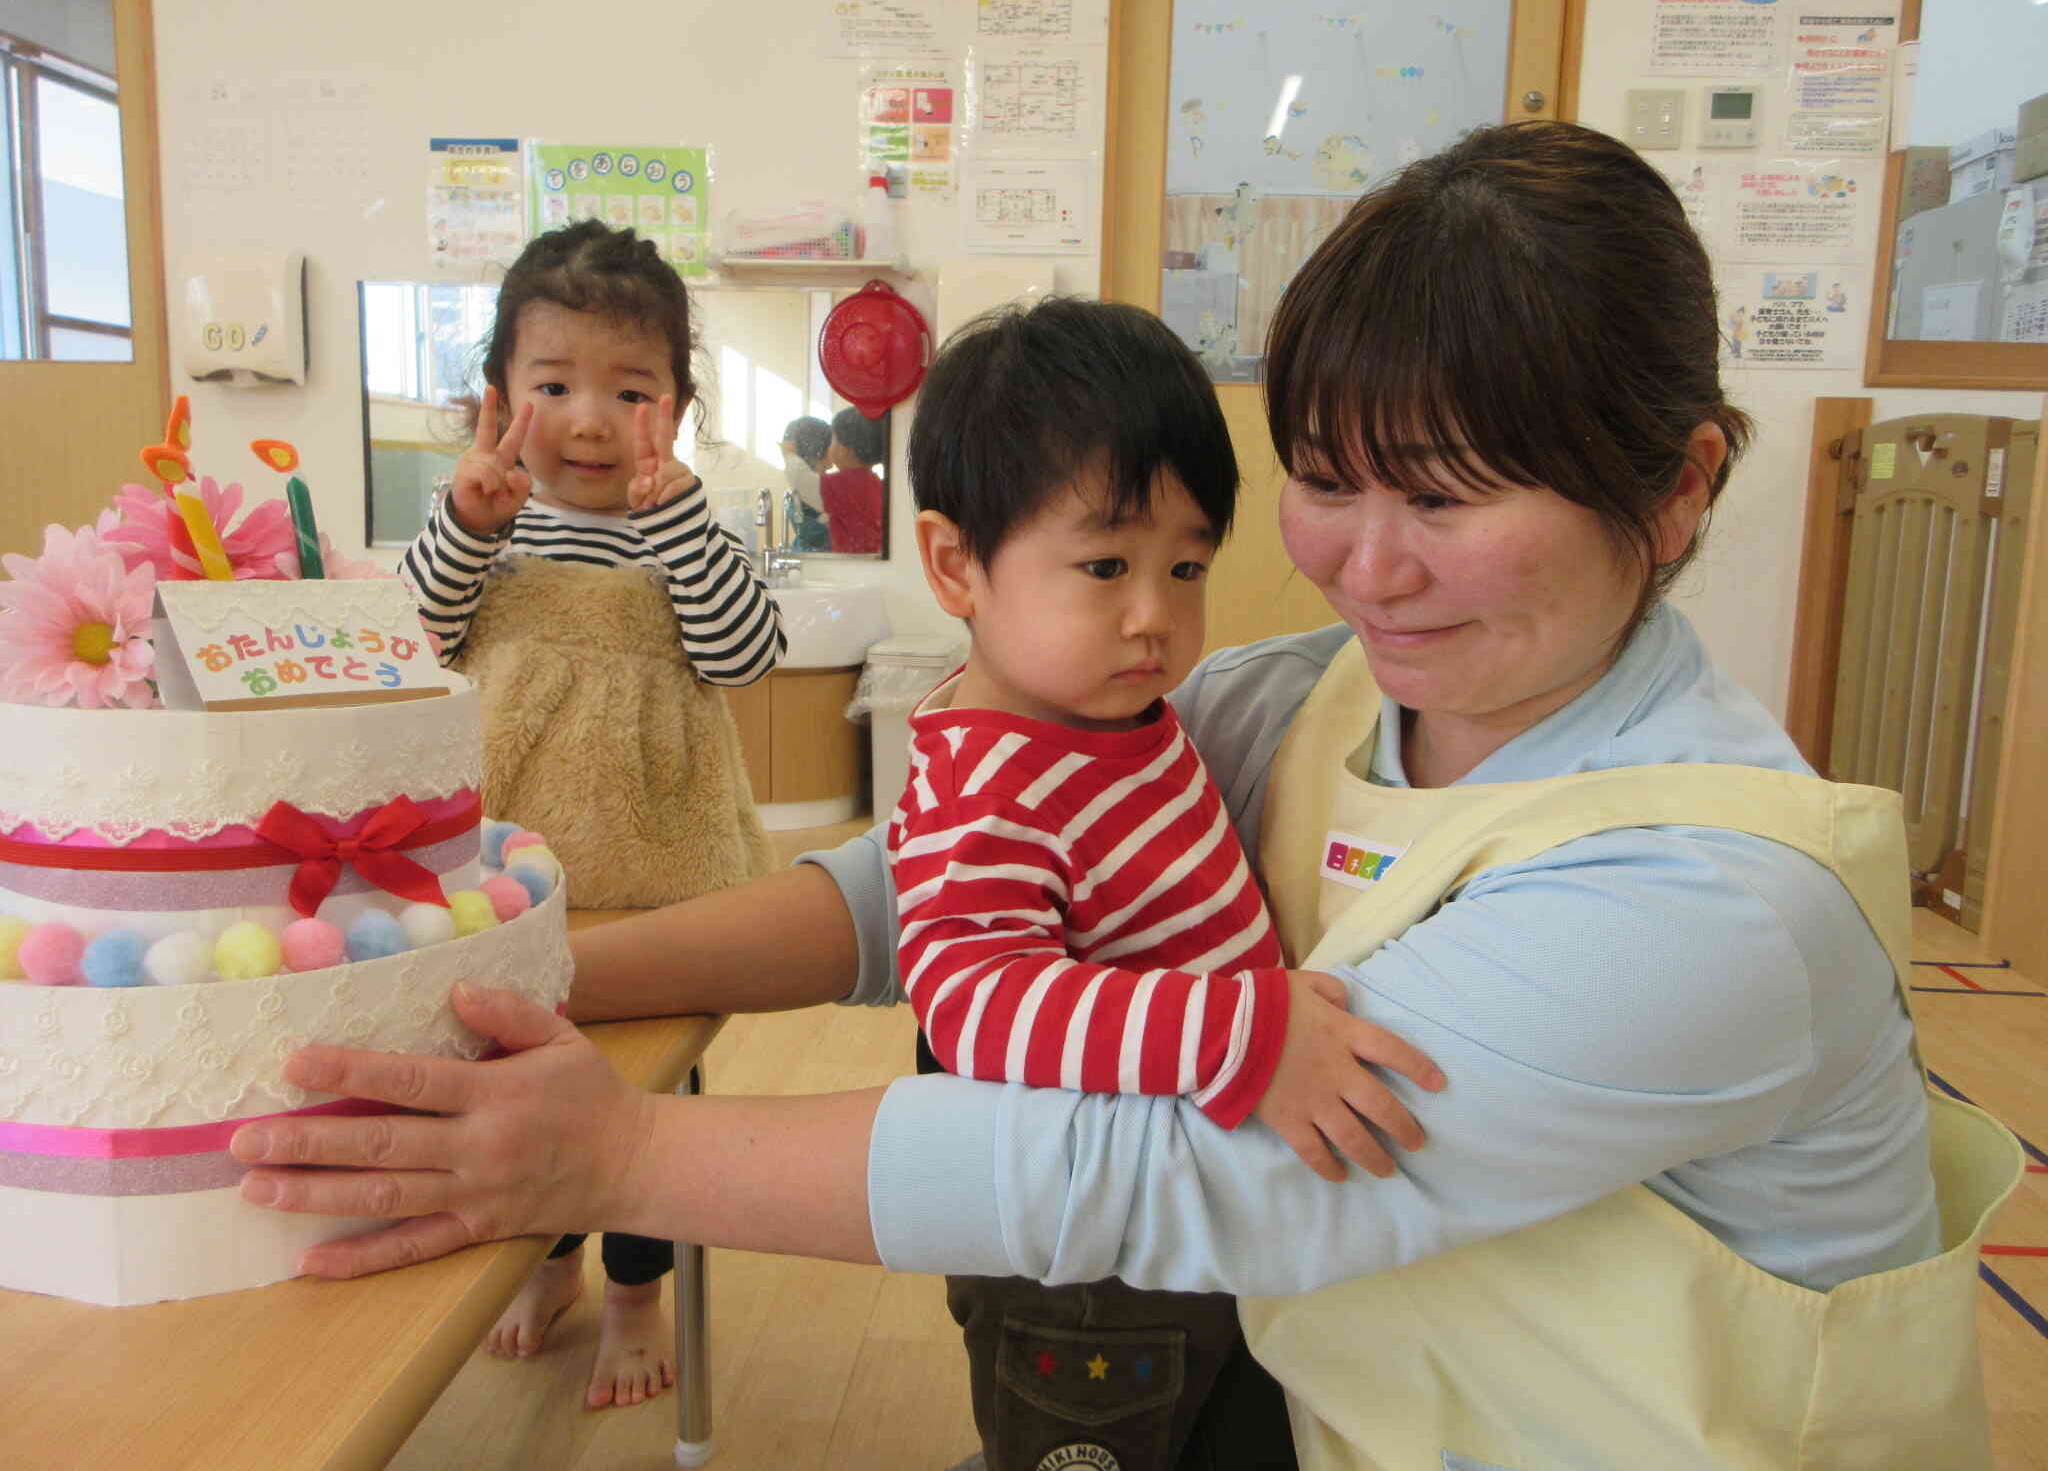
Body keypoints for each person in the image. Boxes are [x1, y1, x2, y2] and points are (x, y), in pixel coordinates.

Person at [238, 124, 2022, 1469]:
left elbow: (1186, 1170)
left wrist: (621, 1151)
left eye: (1453, 498)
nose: (1370, 573)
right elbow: (910, 885)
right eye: (1327, 484)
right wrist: (560, 974)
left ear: (1681, 484)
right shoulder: (1304, 697)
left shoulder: (1712, 895)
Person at [891, 297, 1443, 1469]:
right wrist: (1243, 1035)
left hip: (1187, 1223)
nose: (1154, 617)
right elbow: (975, 1005)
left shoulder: (1104, 712)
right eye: (1103, 565)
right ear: (955, 564)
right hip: (1084, 1276)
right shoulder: (989, 780)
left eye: (1185, 565)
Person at [399, 219, 784, 1412]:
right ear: (497, 395)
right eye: (552, 383)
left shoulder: (691, 533)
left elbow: (744, 653)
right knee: (516, 1073)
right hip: (513, 865)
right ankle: (550, 1256)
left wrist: (677, 520)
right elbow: (416, 643)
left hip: (660, 863)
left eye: (630, 390)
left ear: (677, 402)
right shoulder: (483, 518)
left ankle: (635, 1288)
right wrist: (466, 520)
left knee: (648, 1099)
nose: (585, 420)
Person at [820, 404, 886, 553]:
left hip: (851, 563)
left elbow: (800, 480)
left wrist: (789, 453)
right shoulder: (876, 482)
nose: (829, 447)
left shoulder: (840, 483)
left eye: (832, 439)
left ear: (844, 450)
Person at [780, 415, 834, 552]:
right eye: (828, 452)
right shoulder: (801, 494)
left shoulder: (829, 490)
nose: (831, 464)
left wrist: (788, 453)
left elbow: (799, 476)